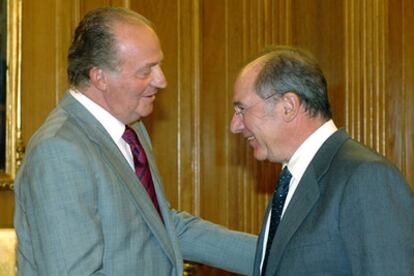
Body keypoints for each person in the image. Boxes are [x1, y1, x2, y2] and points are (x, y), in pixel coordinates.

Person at [14, 7, 257, 275]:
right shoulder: (59, 151)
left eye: (159, 65)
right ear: (100, 77)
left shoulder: (132, 130)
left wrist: (274, 255)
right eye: (146, 71)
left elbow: (160, 226)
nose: (161, 80)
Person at [230, 46, 414, 275]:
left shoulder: (366, 177)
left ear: (288, 107)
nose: (234, 126)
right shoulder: (291, 179)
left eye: (241, 109)